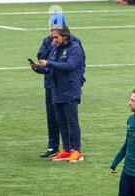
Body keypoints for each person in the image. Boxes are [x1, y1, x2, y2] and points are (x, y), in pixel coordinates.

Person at [32, 25, 86, 162]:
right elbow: (49, 70)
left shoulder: (75, 48)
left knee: (72, 122)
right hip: (56, 91)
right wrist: (38, 68)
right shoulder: (55, 49)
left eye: (56, 37)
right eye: (52, 37)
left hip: (70, 90)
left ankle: (77, 151)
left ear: (65, 37)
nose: (53, 40)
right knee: (61, 122)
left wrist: (49, 63)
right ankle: (67, 150)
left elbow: (69, 66)